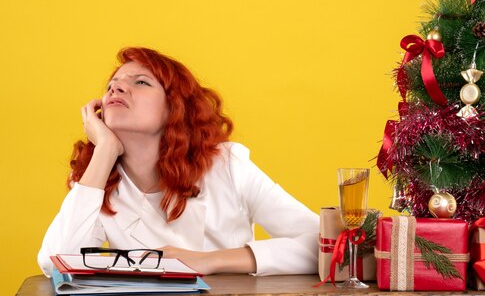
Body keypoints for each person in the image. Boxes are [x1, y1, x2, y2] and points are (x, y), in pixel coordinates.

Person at [38, 47, 319, 277]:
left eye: (140, 82)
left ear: (175, 107)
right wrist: (105, 150)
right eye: (112, 85)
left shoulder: (228, 166)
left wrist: (211, 261)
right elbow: (55, 264)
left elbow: (325, 246)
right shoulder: (98, 181)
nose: (117, 89)